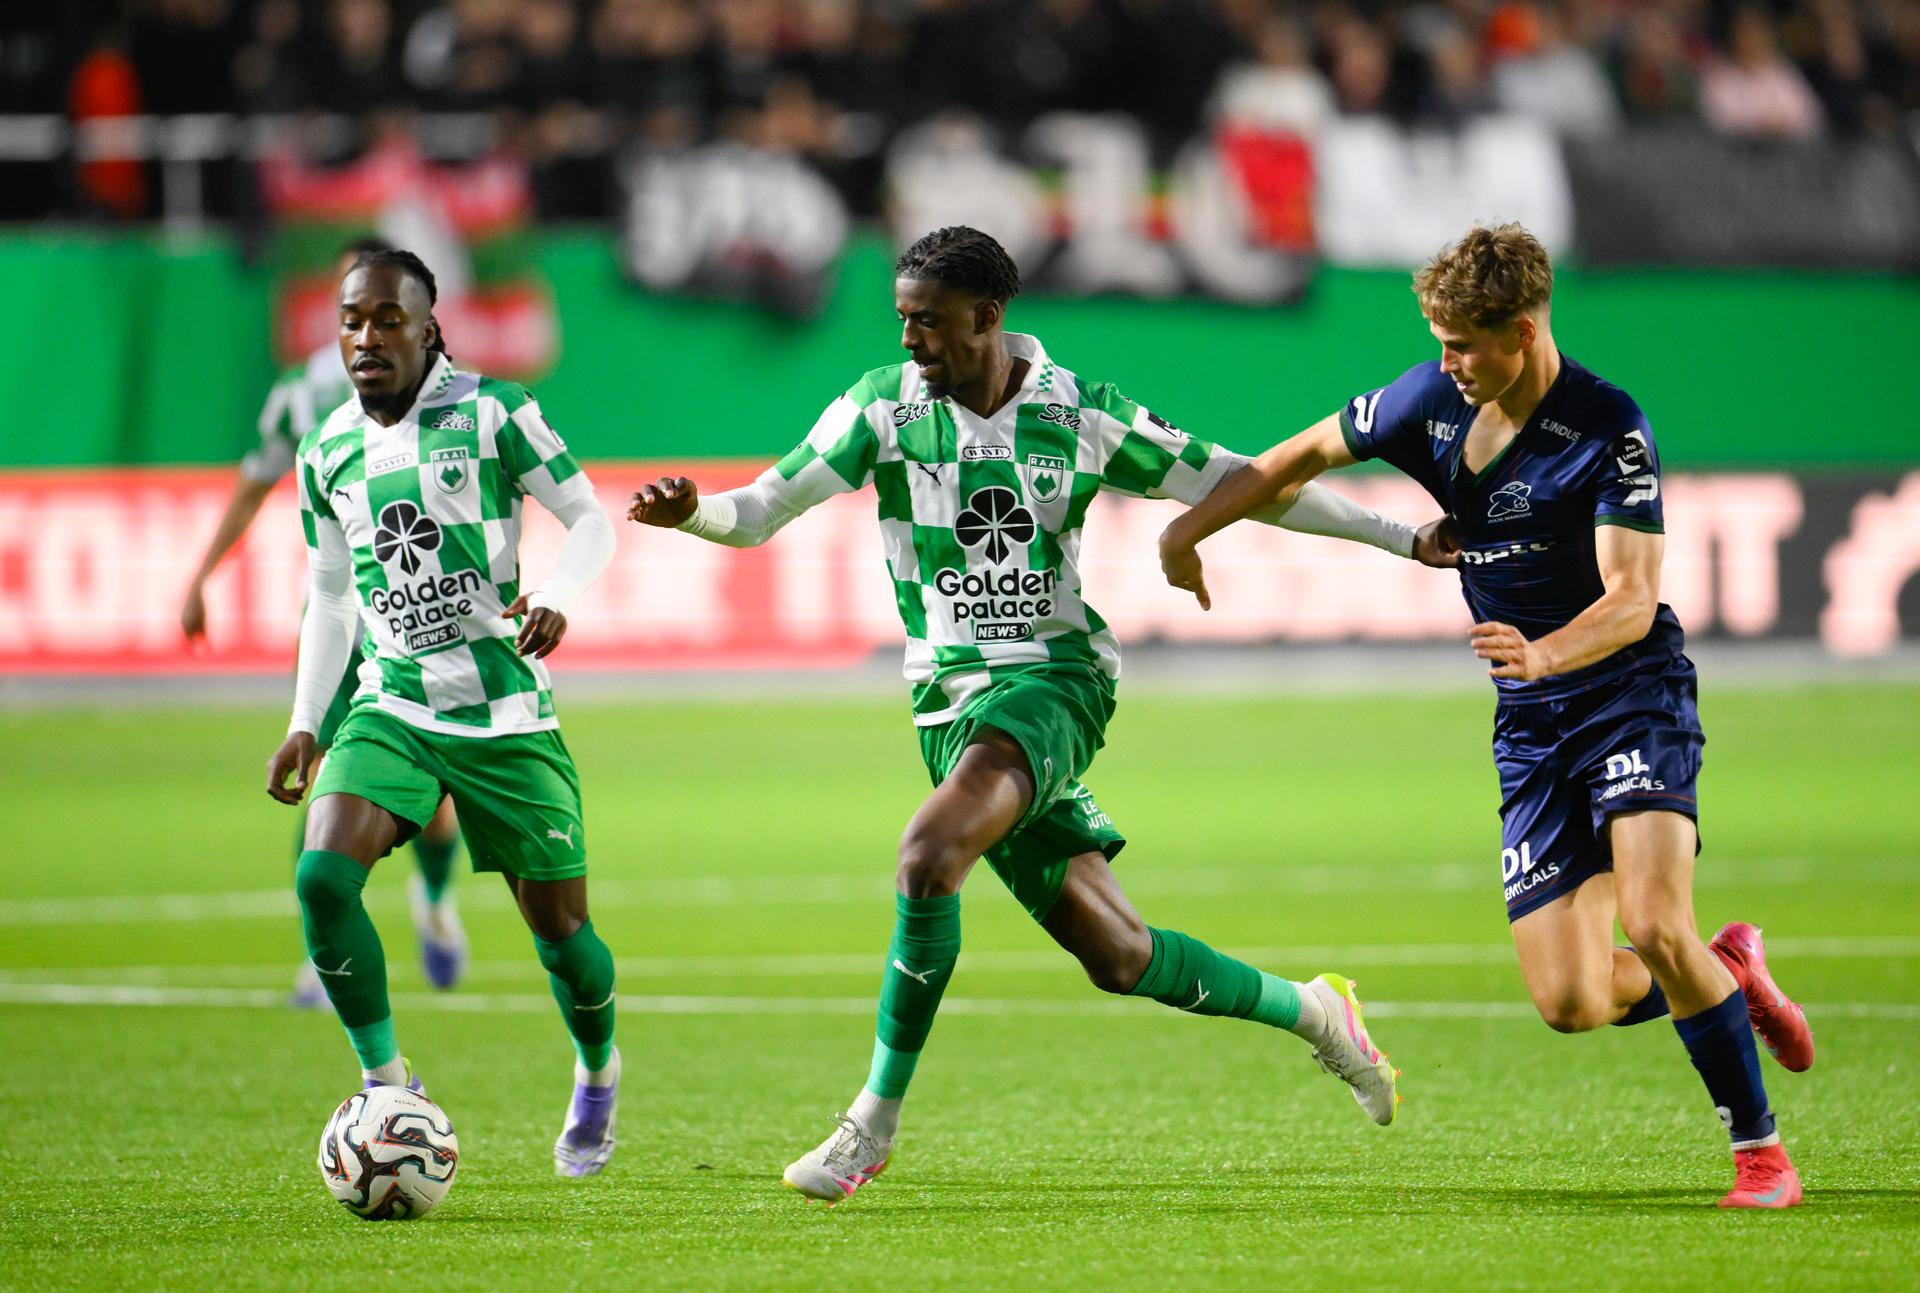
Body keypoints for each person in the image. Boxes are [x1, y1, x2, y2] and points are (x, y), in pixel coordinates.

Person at [627, 224, 1457, 1203]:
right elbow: (760, 511)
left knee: (927, 857)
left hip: (1056, 683)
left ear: (988, 318)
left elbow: (1245, 484)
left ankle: (869, 1128)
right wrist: (695, 513)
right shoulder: (879, 411)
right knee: (1120, 955)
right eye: (902, 323)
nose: (910, 344)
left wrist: (1404, 537)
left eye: (929, 325)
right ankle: (1317, 1013)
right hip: (948, 707)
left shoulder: (1079, 416)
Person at [1156, 223, 1815, 1209]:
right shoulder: (1427, 403)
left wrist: (1546, 651)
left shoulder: (1607, 427)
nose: (1447, 362)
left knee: (1652, 919)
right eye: (1438, 338)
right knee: (1572, 1001)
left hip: (1628, 694)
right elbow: (1292, 458)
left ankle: (1760, 1154)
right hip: (1531, 726)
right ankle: (1726, 969)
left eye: (1464, 342)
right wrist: (1187, 528)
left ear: (1526, 326)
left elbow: (1633, 597)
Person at [265, 249, 623, 1177]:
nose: (366, 337)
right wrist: (307, 718)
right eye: (350, 320)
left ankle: (597, 1067)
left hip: (507, 715)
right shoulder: (327, 450)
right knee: (321, 875)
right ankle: (390, 1087)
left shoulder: (498, 411)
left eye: (388, 319)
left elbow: (591, 519)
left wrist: (554, 592)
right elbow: (333, 597)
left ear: (430, 327)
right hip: (395, 705)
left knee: (565, 940)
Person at [182, 235, 469, 1005]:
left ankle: (435, 903)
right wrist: (203, 573)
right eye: (354, 308)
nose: (370, 328)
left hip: (428, 613)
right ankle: (323, 951)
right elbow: (253, 482)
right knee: (320, 770)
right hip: (345, 616)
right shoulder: (305, 394)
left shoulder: (445, 389)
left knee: (437, 789)